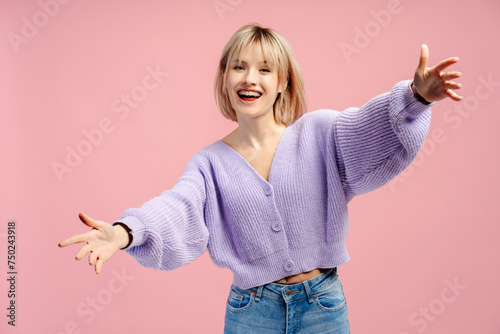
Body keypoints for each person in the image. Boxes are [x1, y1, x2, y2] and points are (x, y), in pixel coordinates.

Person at [59, 23, 462, 333]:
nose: (250, 78)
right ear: (224, 78)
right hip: (251, 312)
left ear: (283, 81)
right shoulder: (209, 164)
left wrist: (416, 96)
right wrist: (126, 231)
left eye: (265, 69)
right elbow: (177, 208)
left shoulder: (320, 133)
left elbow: (370, 129)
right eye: (239, 66)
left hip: (322, 305)